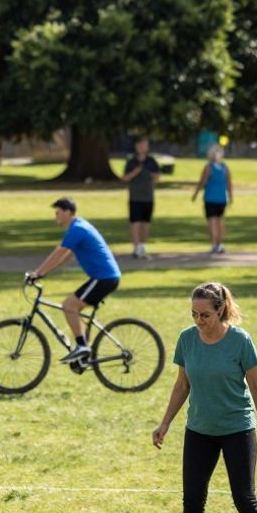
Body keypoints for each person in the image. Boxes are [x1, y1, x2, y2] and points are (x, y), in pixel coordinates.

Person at [152, 283, 257, 513]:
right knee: (192, 499)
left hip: (237, 427)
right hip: (199, 429)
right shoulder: (187, 339)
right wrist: (165, 422)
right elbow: (182, 385)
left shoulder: (240, 341)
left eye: (204, 314)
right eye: (194, 313)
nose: (198, 320)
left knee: (243, 497)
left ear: (220, 310)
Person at [28, 197, 122, 364]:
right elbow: (65, 256)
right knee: (74, 307)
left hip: (104, 278)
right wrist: (44, 273)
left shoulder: (77, 229)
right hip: (104, 277)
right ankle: (83, 351)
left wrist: (37, 273)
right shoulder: (78, 227)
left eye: (58, 213)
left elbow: (59, 252)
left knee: (69, 305)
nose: (56, 217)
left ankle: (82, 347)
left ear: (68, 212)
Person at [122, 136, 162, 259]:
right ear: (136, 147)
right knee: (135, 222)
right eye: (140, 145)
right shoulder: (131, 162)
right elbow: (125, 178)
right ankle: (136, 247)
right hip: (135, 197)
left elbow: (157, 178)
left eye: (144, 145)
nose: (142, 147)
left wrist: (151, 174)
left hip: (148, 197)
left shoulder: (152, 161)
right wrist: (135, 172)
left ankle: (142, 245)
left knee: (146, 223)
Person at [191, 144, 233, 254]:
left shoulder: (208, 168)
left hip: (210, 198)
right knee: (220, 222)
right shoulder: (225, 168)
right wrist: (231, 196)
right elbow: (229, 183)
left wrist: (195, 194)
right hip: (222, 199)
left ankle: (214, 244)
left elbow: (202, 182)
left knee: (212, 222)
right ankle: (220, 244)